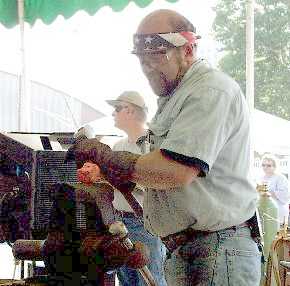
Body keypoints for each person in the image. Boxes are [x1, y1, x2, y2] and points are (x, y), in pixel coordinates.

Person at [71, 9, 261, 285]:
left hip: (218, 247)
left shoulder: (209, 91)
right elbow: (164, 182)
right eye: (143, 60)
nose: (148, 67)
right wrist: (114, 172)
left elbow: (176, 172)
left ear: (188, 49)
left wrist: (111, 160)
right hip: (190, 247)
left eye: (157, 56)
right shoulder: (176, 97)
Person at [106, 91, 167, 286]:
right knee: (126, 280)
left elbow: (159, 183)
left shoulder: (153, 146)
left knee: (150, 280)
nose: (113, 114)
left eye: (117, 109)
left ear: (130, 111)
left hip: (145, 223)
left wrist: (127, 178)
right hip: (120, 222)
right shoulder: (117, 146)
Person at [260, 154, 290, 225]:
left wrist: (267, 192)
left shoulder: (280, 178)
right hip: (264, 209)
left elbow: (285, 194)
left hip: (278, 209)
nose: (265, 167)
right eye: (263, 165)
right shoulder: (260, 177)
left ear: (274, 166)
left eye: (269, 165)